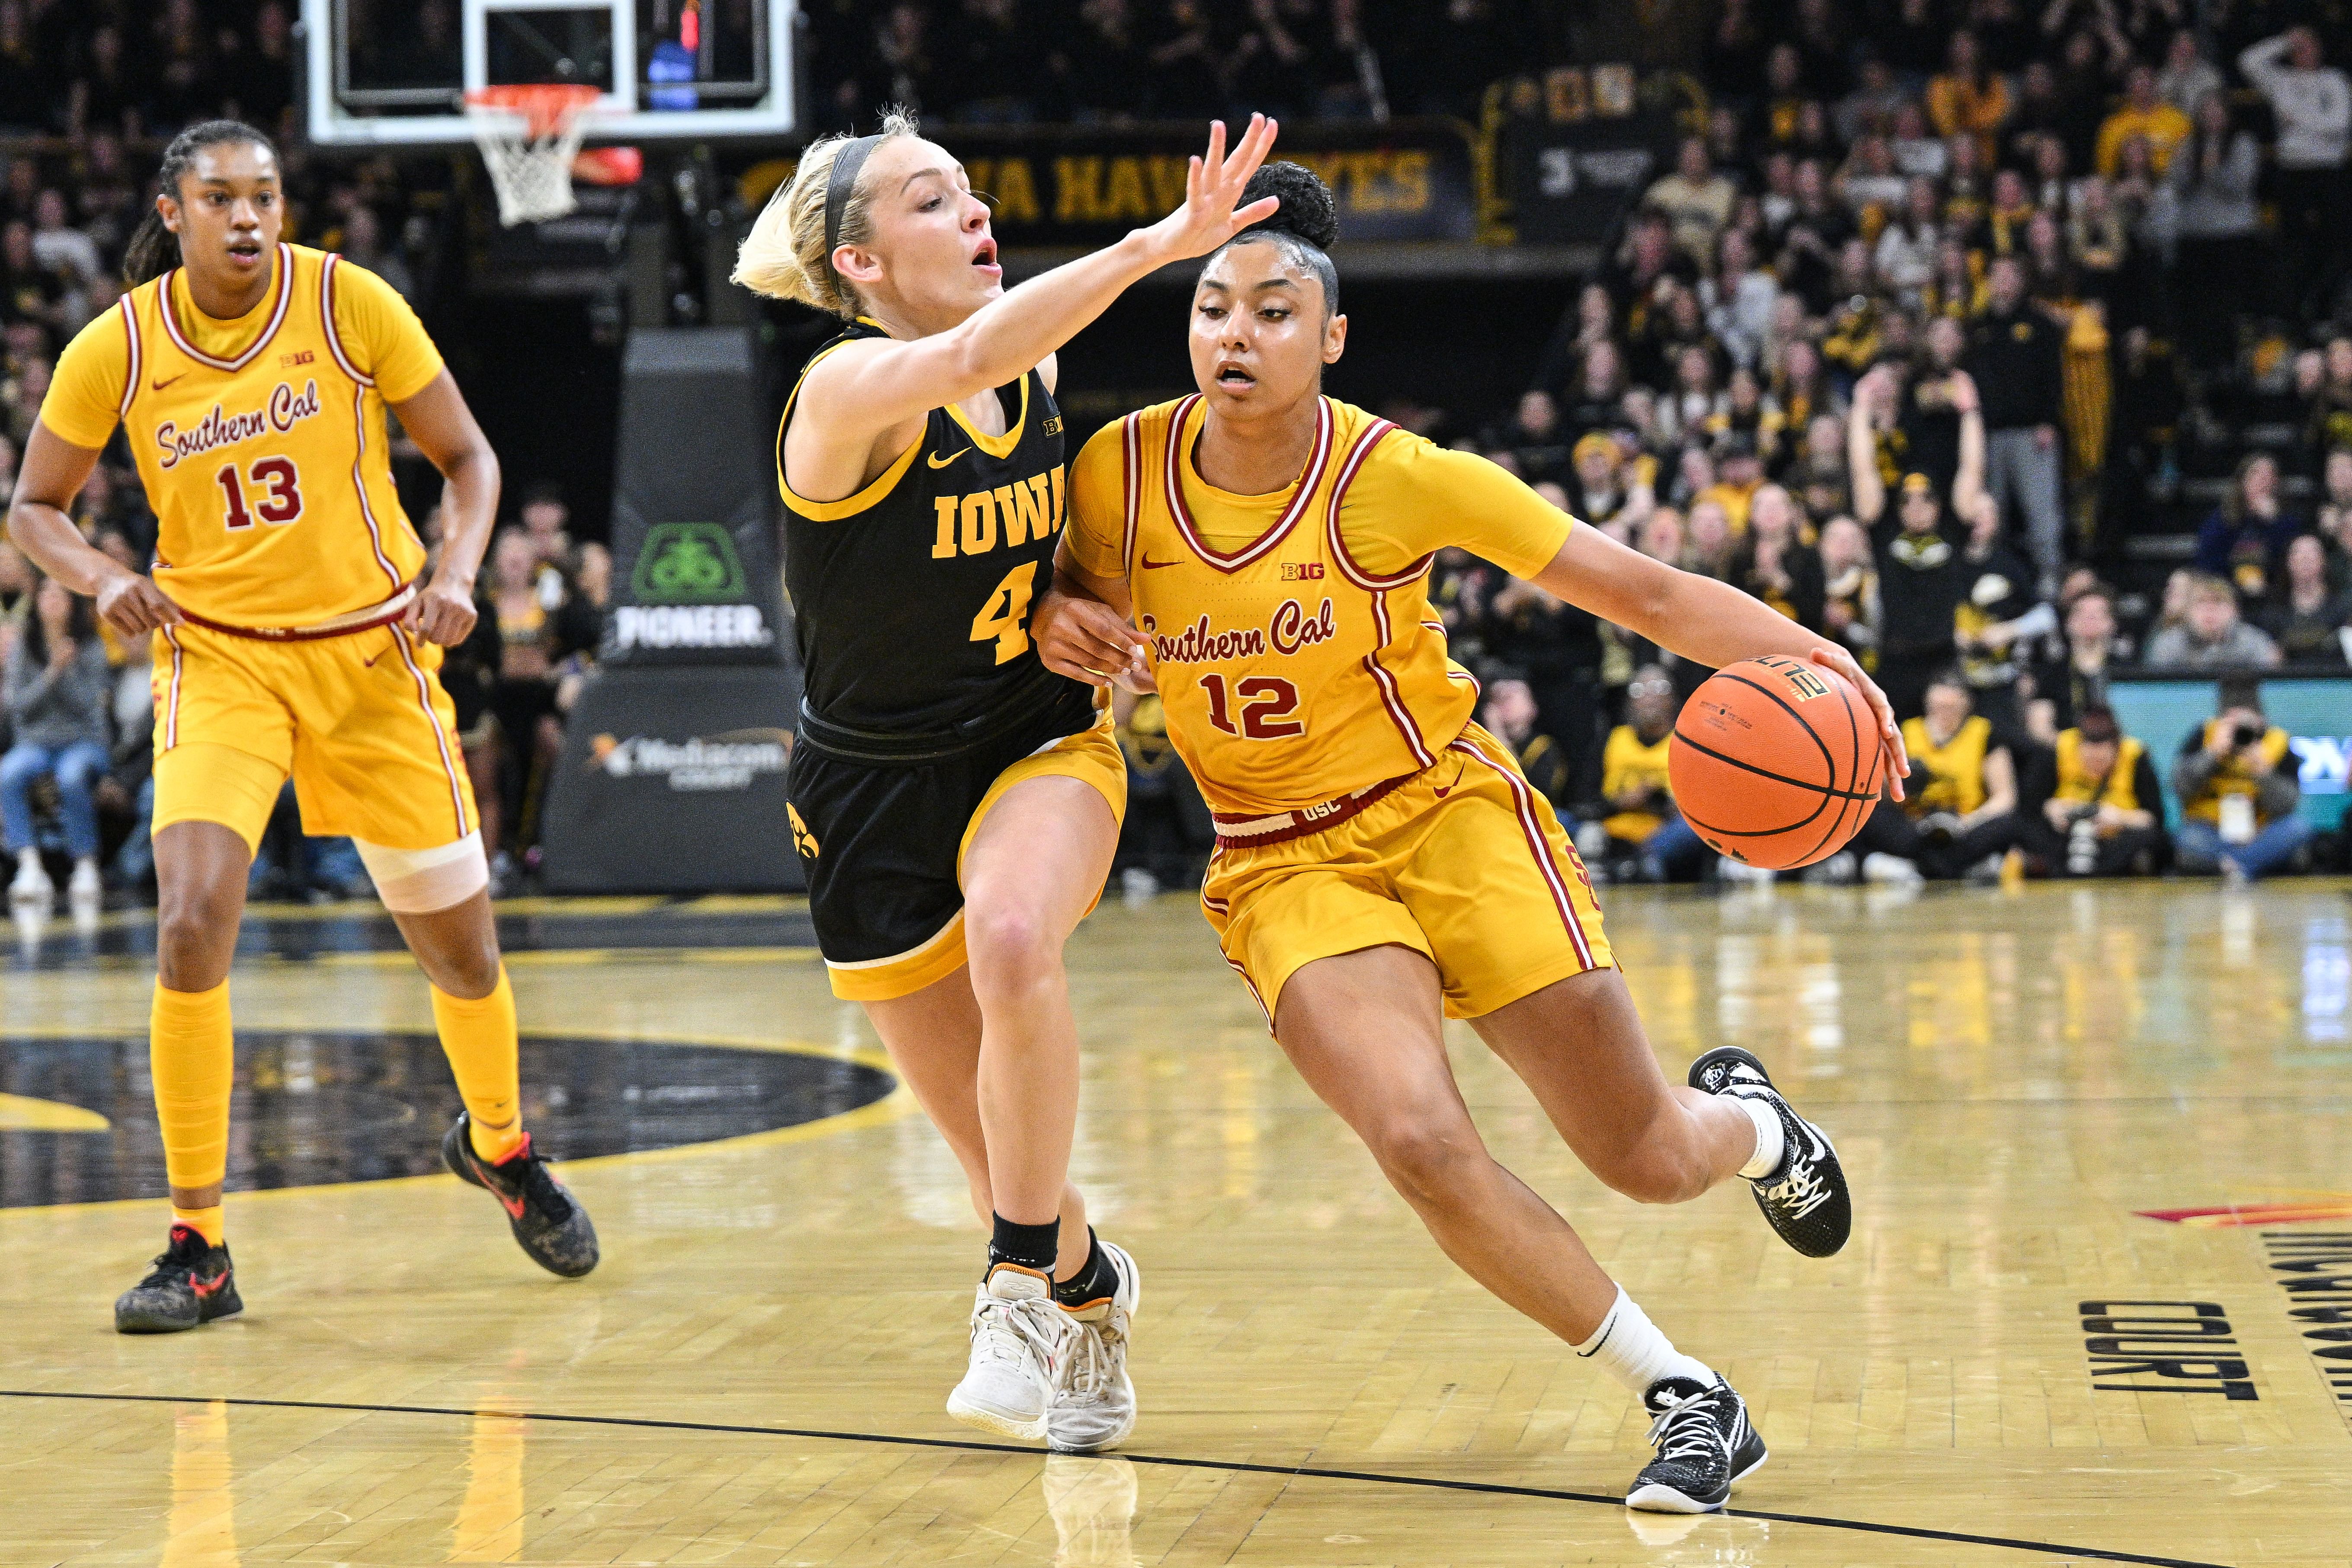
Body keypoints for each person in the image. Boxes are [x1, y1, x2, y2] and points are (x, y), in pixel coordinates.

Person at [1035, 162, 1907, 1514]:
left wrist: (1827, 666)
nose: (1234, 335)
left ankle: (1746, 1120)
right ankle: (1686, 1391)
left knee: (1645, 1156)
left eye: (1273, 311)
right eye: (1211, 306)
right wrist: (1057, 624)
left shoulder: (1400, 476)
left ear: (1329, 338)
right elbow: (1055, 609)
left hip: (1449, 816)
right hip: (1280, 856)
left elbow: (1643, 590)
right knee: (1418, 1139)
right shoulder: (1115, 471)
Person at [730, 107, 1283, 1453]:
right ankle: (1088, 1289)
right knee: (1001, 1156)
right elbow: (975, 350)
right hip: (866, 791)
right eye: (931, 201)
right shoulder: (845, 392)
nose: (971, 211)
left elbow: (1023, 563)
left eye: (971, 191)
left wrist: (1065, 609)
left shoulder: (1024, 379)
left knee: (1017, 935)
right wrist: (1165, 242)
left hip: (1034, 739)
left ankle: (1013, 1288)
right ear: (859, 265)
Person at [7, 121, 598, 1335]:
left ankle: (499, 1145)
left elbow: (470, 459)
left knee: (464, 959)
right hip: (219, 660)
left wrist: (461, 567)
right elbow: (33, 507)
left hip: (374, 656)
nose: (247, 218)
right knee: (188, 922)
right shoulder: (115, 346)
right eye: (219, 198)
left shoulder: (348, 302)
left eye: (265, 196)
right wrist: (100, 575)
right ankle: (200, 1244)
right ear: (171, 212)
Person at [1844, 669, 2017, 883]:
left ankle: (1912, 868)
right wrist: (1905, 784)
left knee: (2009, 825)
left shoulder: (1985, 733)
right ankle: (1959, 869)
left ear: (1967, 705)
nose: (1945, 713)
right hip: (1915, 825)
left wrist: (1967, 822)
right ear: (1928, 702)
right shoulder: (1907, 731)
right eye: (1940, 707)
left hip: (1965, 825)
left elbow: (2005, 799)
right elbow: (1881, 790)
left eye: (1951, 708)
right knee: (1867, 812)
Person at [3, 574, 111, 916]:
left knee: (71, 776)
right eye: (46, 593)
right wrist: (53, 672)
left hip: (82, 741)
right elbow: (19, 705)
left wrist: (66, 671)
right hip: (35, 743)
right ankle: (29, 863)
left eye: (60, 595)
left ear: (73, 604)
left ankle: (85, 863)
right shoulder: (25, 645)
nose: (52, 600)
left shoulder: (91, 645)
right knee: (8, 774)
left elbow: (89, 706)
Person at [1965, 257, 2065, 593]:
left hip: (2030, 432)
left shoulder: (2040, 324)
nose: (2004, 282)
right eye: (1998, 275)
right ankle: (1996, 582)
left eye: (2011, 275)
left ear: (2022, 281)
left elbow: (2055, 376)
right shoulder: (1978, 327)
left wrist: (2049, 420)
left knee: (2042, 512)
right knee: (1990, 514)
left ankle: (2050, 579)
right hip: (1987, 435)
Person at [2172, 680, 2312, 880]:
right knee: (2188, 838)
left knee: (2297, 829)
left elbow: (2288, 805)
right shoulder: (2206, 735)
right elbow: (2180, 788)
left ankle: (2232, 867)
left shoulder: (2277, 741)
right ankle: (2249, 866)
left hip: (2261, 834)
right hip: (2213, 832)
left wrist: (2263, 772)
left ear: (2260, 719)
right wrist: (2211, 755)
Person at [1591, 666, 1712, 883]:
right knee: (1563, 820)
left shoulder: (1686, 742)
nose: (1649, 697)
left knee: (1694, 829)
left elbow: (1700, 804)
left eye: (1659, 688)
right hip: (1617, 824)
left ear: (1673, 698)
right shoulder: (1615, 738)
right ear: (1629, 701)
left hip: (1663, 831)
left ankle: (1640, 863)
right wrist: (1624, 801)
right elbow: (1588, 797)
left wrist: (1657, 800)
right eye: (1638, 690)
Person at [2015, 704, 2165, 877]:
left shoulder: (2135, 757)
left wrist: (2121, 819)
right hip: (2066, 837)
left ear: (2116, 750)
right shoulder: (2059, 750)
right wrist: (2052, 809)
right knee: (2023, 831)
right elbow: (2031, 807)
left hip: (2115, 838)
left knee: (2151, 841)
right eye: (2089, 759)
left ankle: (2088, 872)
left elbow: (2155, 820)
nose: (2095, 766)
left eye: (2102, 760)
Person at [2143, 573, 2282, 669]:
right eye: (2202, 602)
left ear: (2235, 611)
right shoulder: (2168, 643)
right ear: (2188, 612)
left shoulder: (2254, 641)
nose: (2210, 609)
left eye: (2218, 602)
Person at [2264, 533, 2351, 664]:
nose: (2306, 558)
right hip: (2289, 682)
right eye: (2299, 554)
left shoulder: (2344, 609)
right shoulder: (2274, 613)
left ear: (2323, 561)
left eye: (2312, 553)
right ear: (2289, 563)